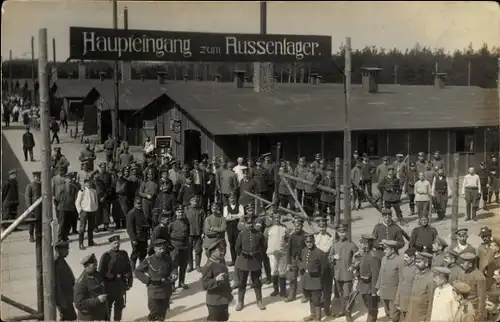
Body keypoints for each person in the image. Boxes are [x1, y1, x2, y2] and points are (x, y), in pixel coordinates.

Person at [135, 239, 178, 321]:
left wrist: (174, 274)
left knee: (162, 313)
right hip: (154, 290)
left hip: (166, 289)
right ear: (155, 249)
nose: (162, 251)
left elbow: (173, 268)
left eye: (163, 249)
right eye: (160, 249)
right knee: (154, 312)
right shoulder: (149, 260)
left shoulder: (167, 258)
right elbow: (137, 271)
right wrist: (148, 280)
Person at [234, 213, 267, 311]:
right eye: (248, 223)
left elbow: (264, 246)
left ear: (254, 223)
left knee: (257, 282)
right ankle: (240, 302)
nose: (250, 225)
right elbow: (237, 248)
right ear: (245, 224)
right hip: (244, 261)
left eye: (252, 223)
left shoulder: (259, 234)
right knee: (242, 283)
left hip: (255, 260)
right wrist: (243, 254)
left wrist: (258, 256)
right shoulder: (241, 234)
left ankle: (259, 301)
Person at [98, 235, 133, 321]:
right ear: (110, 244)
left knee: (119, 305)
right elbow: (101, 272)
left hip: (120, 285)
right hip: (109, 285)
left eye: (118, 243)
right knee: (108, 306)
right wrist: (111, 277)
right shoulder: (106, 256)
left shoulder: (124, 254)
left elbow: (129, 268)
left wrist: (129, 282)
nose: (117, 245)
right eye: (114, 243)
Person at [328, 224, 358, 319]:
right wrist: (333, 257)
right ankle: (342, 310)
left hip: (347, 274)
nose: (342, 234)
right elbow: (329, 257)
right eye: (340, 232)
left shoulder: (351, 244)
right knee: (341, 293)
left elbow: (358, 256)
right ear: (337, 233)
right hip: (338, 274)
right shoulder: (335, 244)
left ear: (346, 233)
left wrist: (353, 266)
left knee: (347, 295)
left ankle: (348, 314)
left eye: (344, 232)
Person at [201, 237, 233, 322]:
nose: (223, 252)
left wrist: (229, 294)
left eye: (223, 250)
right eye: (220, 250)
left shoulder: (221, 262)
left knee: (224, 319)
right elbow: (204, 285)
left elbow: (226, 280)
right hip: (214, 302)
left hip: (224, 299)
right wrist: (216, 280)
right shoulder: (208, 266)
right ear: (212, 252)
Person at [74, 253, 108, 321]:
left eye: (96, 264)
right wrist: (97, 300)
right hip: (89, 317)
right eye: (94, 265)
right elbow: (79, 303)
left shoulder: (97, 274)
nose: (96, 266)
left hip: (100, 314)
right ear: (87, 266)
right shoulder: (81, 282)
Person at [301, 233, 327, 322]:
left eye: (311, 241)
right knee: (310, 298)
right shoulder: (304, 251)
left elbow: (323, 269)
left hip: (316, 280)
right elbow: (304, 263)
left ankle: (318, 318)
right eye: (307, 242)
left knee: (316, 299)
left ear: (314, 241)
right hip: (307, 279)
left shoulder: (319, 253)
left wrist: (321, 280)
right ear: (305, 242)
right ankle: (312, 314)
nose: (309, 243)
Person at [376, 239, 404, 322]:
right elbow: (380, 273)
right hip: (384, 291)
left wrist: (398, 296)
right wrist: (378, 287)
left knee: (394, 315)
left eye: (386, 249)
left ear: (392, 250)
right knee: (387, 312)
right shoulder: (384, 259)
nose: (384, 251)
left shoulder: (400, 260)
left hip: (393, 293)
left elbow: (401, 280)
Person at [264, 210, 289, 298]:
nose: (277, 219)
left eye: (278, 217)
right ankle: (275, 290)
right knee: (274, 271)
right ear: (273, 219)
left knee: (282, 272)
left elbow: (287, 238)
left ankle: (283, 291)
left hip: (282, 253)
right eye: (275, 218)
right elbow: (265, 239)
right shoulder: (268, 228)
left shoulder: (284, 228)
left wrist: (284, 246)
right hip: (272, 253)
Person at [406, 251, 435, 322]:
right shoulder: (417, 275)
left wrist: (427, 319)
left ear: (426, 263)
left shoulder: (431, 278)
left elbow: (431, 301)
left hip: (422, 315)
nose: (416, 264)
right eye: (416, 262)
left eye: (419, 262)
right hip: (412, 313)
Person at [457, 252, 487, 321]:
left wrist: (479, 313)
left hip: (473, 309)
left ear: (470, 264)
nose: (461, 264)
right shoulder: (462, 274)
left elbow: (482, 297)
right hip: (462, 308)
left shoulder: (479, 277)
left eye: (464, 262)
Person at [358, 234, 381, 322]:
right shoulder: (365, 253)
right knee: (368, 306)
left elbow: (375, 275)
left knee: (372, 308)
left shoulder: (373, 257)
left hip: (370, 288)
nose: (360, 244)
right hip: (364, 285)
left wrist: (374, 291)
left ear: (367, 244)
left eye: (362, 243)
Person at [54, 240, 77, 321]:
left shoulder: (61, 260)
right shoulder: (55, 263)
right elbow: (57, 284)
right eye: (66, 249)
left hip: (67, 297)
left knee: (68, 317)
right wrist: (62, 302)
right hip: (63, 299)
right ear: (58, 250)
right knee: (71, 317)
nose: (68, 251)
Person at [168, 205, 190, 289]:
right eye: (179, 212)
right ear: (176, 212)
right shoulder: (172, 223)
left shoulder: (186, 221)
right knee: (174, 266)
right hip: (175, 247)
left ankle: (181, 282)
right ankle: (172, 284)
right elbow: (168, 235)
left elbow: (188, 232)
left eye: (182, 212)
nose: (181, 213)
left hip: (185, 246)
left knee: (183, 265)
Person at [286, 217, 307, 302]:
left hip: (302, 259)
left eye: (299, 225)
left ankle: (305, 295)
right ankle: (292, 295)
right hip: (294, 259)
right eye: (296, 226)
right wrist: (288, 263)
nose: (297, 227)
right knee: (292, 278)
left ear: (302, 226)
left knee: (303, 278)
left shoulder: (306, 235)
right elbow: (288, 250)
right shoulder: (292, 236)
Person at [394, 247, 418, 320]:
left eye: (407, 257)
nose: (404, 259)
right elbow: (400, 285)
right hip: (403, 301)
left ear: (413, 258)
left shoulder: (417, 270)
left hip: (411, 303)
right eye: (404, 257)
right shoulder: (405, 268)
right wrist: (397, 300)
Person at [75, 178, 98, 250]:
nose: (88, 184)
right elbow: (77, 202)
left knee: (91, 227)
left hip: (92, 211)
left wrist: (95, 207)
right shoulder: (81, 191)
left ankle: (90, 242)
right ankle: (81, 244)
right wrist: (80, 211)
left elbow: (96, 200)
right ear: (84, 184)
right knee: (82, 228)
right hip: (84, 211)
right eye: (87, 183)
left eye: (89, 183)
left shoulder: (93, 191)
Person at [127, 197, 149, 269]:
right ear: (134, 204)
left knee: (143, 253)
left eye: (140, 203)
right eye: (138, 203)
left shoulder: (141, 211)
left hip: (143, 236)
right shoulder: (131, 213)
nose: (139, 205)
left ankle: (141, 269)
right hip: (137, 237)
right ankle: (132, 270)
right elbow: (129, 228)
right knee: (135, 254)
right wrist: (133, 239)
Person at [185, 195, 205, 272]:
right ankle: (190, 266)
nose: (195, 203)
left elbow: (204, 222)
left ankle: (198, 266)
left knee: (198, 250)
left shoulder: (201, 211)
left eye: (196, 201)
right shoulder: (186, 210)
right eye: (193, 201)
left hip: (198, 233)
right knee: (189, 250)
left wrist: (203, 232)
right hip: (189, 233)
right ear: (190, 202)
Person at [223, 192, 244, 266]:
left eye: (234, 198)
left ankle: (240, 260)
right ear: (229, 199)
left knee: (238, 243)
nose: (232, 199)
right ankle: (233, 260)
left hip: (238, 227)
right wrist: (236, 216)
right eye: (231, 198)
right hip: (229, 228)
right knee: (231, 243)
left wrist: (231, 215)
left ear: (236, 198)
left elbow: (242, 216)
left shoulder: (240, 206)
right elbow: (226, 217)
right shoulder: (226, 207)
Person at [25, 171, 42, 243]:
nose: (38, 178)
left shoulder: (42, 185)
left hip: (40, 207)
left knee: (39, 222)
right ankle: (31, 236)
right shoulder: (30, 186)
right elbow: (27, 197)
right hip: (33, 207)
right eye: (36, 177)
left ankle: (38, 235)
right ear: (33, 177)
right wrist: (30, 208)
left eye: (39, 177)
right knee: (31, 223)